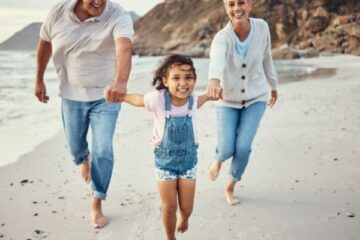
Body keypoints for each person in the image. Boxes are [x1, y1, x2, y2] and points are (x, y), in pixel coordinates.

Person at [34, 0, 133, 228]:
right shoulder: (58, 12)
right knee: (75, 146)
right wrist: (39, 79)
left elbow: (124, 48)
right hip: (71, 94)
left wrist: (120, 82)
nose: (98, 1)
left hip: (107, 96)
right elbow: (45, 45)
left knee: (104, 149)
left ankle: (97, 201)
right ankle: (82, 158)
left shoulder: (118, 15)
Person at [123, 55, 209, 240]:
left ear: (194, 79)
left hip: (188, 163)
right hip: (165, 164)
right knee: (169, 207)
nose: (183, 83)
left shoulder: (193, 100)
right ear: (165, 81)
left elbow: (203, 99)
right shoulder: (158, 99)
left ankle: (184, 219)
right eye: (176, 78)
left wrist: (211, 94)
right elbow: (138, 100)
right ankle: (170, 238)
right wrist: (120, 95)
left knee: (187, 208)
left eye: (188, 77)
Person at [207, 0, 278, 205]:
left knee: (244, 147)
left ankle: (230, 186)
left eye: (241, 2)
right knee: (227, 148)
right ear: (225, 8)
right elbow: (216, 61)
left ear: (250, 5)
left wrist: (273, 85)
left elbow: (267, 57)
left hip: (256, 98)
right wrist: (213, 81)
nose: (237, 8)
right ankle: (219, 158)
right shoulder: (222, 38)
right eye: (231, 4)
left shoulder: (262, 27)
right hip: (227, 100)